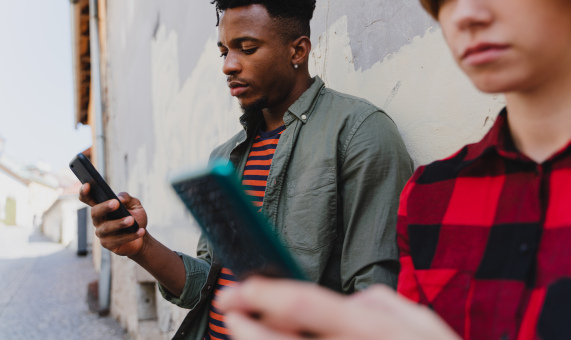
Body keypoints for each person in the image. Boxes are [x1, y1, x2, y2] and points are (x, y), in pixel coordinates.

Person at [217, 0, 571, 339]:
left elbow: (371, 287)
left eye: (247, 48)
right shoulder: (430, 197)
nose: (465, 14)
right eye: (444, 0)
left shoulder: (358, 132)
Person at [79, 0, 413, 339]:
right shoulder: (224, 158)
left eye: (247, 49)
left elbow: (376, 301)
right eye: (223, 52)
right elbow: (207, 283)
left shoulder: (359, 134)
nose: (228, 66)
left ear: (297, 51)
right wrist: (141, 245)